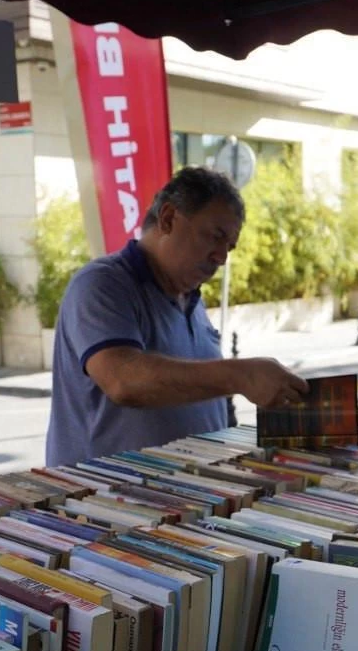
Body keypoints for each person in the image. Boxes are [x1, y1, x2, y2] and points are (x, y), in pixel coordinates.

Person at [46, 167, 308, 466]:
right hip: (104, 501)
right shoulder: (101, 284)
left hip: (186, 498)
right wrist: (241, 375)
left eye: (229, 247)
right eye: (215, 236)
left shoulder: (194, 303)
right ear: (169, 219)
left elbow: (215, 396)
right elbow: (123, 380)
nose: (221, 257)